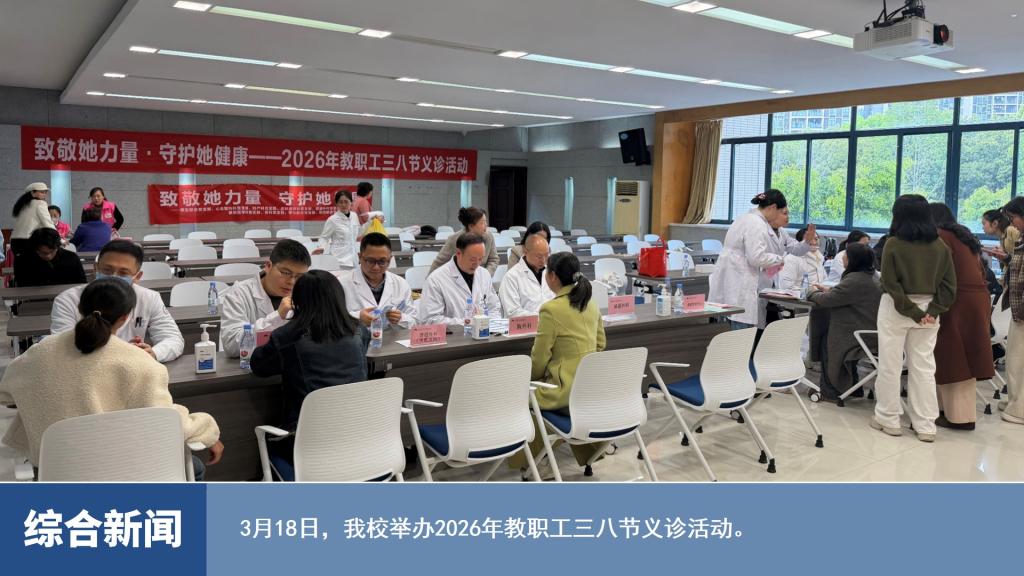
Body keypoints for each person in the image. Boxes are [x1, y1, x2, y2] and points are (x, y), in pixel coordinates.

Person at [0, 279, 222, 477]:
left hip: (56, 471)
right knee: (194, 467)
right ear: (125, 318)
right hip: (124, 471)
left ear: (80, 309)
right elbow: (165, 420)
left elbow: (6, 396)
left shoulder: (38, 353)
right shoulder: (141, 363)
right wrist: (207, 431)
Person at [250, 270, 369, 469]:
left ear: (298, 300)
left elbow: (259, 366)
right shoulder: (359, 330)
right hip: (356, 439)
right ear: (339, 297)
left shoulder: (287, 336)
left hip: (306, 445)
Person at [508, 252, 606, 476]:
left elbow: (539, 357)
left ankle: (534, 464)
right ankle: (588, 453)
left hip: (563, 392)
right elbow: (601, 344)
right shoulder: (590, 303)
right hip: (589, 389)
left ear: (552, 276)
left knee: (520, 396)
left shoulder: (550, 309)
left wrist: (532, 380)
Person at [873, 194, 956, 442]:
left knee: (890, 365)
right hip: (929, 312)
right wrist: (931, 311)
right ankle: (926, 425)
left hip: (896, 308)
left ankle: (888, 418)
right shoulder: (941, 246)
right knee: (924, 367)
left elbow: (889, 283)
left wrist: (912, 311)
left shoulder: (893, 244)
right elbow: (949, 286)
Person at [51, 240, 184, 363]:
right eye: (107, 270)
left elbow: (173, 339)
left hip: (132, 367)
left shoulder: (149, 298)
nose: (113, 277)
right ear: (95, 268)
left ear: (137, 276)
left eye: (123, 273)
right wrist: (121, 352)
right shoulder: (68, 300)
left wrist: (153, 353)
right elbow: (63, 346)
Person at [708, 189, 815, 328]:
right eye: (783, 212)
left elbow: (795, 248)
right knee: (742, 333)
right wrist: (780, 259)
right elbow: (756, 258)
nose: (787, 217)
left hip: (741, 282)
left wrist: (807, 242)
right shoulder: (756, 223)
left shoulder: (750, 220)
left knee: (744, 329)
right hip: (741, 284)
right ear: (773, 208)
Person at [928, 203, 993, 431]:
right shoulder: (963, 235)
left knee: (953, 357)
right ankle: (951, 412)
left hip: (956, 300)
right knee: (966, 357)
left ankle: (959, 417)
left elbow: (938, 271)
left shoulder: (941, 236)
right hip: (976, 299)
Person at [806, 243, 882, 402]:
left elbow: (826, 300)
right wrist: (829, 290)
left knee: (827, 339)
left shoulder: (855, 279)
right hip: (871, 331)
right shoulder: (872, 276)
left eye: (846, 255)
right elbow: (844, 294)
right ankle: (852, 388)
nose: (843, 257)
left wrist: (812, 292)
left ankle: (831, 390)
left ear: (854, 259)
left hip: (859, 335)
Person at [221, 239, 311, 357]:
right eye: (285, 273)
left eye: (299, 277)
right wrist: (277, 316)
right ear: (268, 266)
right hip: (252, 365)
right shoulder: (239, 293)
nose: (292, 282)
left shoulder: (304, 292)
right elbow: (231, 345)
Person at [419, 232, 501, 326]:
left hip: (484, 331)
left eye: (480, 259)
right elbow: (430, 320)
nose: (477, 264)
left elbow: (494, 308)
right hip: (453, 334)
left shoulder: (484, 274)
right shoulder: (435, 280)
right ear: (458, 253)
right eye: (472, 259)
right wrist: (468, 322)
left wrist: (489, 323)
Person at [340, 232, 414, 329]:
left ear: (390, 260)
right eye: (370, 261)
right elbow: (331, 320)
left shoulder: (401, 284)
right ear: (360, 257)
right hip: (356, 337)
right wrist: (357, 318)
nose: (376, 267)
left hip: (392, 337)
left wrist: (401, 318)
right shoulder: (341, 284)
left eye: (382, 261)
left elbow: (414, 321)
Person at [995, 198, 1024, 425]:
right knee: (1014, 359)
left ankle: (1020, 407)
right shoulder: (1021, 239)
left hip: (1022, 308)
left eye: (1013, 217)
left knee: (1019, 360)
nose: (1012, 223)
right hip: (1018, 308)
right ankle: (1015, 400)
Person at [428, 207, 500, 275]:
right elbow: (439, 262)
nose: (486, 225)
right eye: (482, 223)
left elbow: (493, 259)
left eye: (486, 222)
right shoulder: (454, 239)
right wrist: (429, 279)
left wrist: (486, 275)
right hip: (458, 278)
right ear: (471, 226)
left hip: (482, 277)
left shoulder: (489, 236)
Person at [499, 234, 554, 318]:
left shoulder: (551, 273)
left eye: (546, 255)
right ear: (525, 252)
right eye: (539, 256)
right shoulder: (512, 277)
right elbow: (512, 312)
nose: (543, 260)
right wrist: (541, 317)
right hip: (527, 325)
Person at [313, 190, 371, 267]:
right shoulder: (332, 220)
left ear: (351, 202)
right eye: (340, 202)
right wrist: (321, 247)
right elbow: (324, 237)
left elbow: (358, 233)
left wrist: (370, 222)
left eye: (346, 202)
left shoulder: (354, 216)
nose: (343, 205)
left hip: (354, 259)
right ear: (336, 204)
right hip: (338, 259)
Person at [14, 228, 86, 287]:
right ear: (35, 248)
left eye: (52, 251)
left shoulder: (71, 258)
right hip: (34, 298)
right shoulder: (23, 261)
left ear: (58, 247)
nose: (48, 256)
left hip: (66, 297)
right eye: (43, 253)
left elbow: (81, 283)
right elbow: (22, 286)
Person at [11, 182, 55, 258]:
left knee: (20, 264)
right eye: (42, 192)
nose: (44, 194)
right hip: (29, 241)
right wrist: (59, 239)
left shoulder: (23, 204)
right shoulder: (40, 203)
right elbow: (48, 223)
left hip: (15, 241)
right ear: (32, 193)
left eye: (45, 192)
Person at [982, 208, 1019, 282]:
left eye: (984, 223)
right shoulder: (1002, 237)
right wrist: (1000, 256)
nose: (982, 227)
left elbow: (1019, 256)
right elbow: (1009, 261)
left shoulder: (1011, 230)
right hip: (1009, 277)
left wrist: (1005, 256)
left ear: (995, 223)